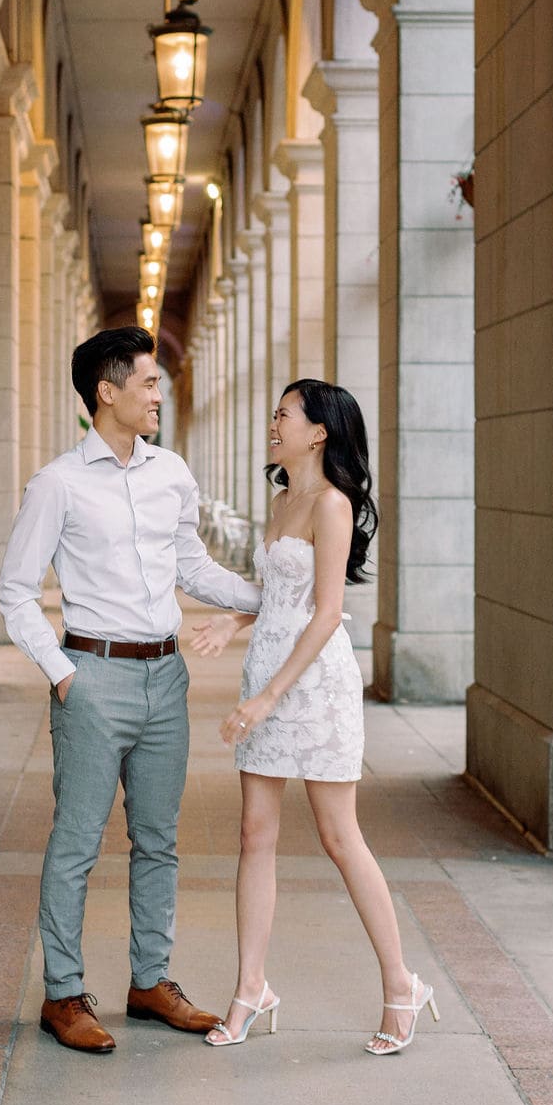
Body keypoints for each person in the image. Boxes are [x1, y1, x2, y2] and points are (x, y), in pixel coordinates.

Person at [0, 325, 264, 1055]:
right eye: (148, 383)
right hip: (94, 676)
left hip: (165, 675)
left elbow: (193, 567)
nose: (159, 394)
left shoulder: (171, 473)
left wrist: (273, 592)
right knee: (77, 841)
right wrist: (64, 675)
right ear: (105, 392)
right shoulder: (58, 483)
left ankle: (150, 983)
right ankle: (64, 994)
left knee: (158, 840)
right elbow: (16, 592)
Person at [190, 379, 439, 1056]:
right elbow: (280, 596)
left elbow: (326, 612)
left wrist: (269, 697)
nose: (274, 423)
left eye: (284, 415)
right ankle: (251, 987)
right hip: (267, 670)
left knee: (339, 836)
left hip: (313, 685)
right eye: (274, 413)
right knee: (253, 833)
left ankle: (401, 984)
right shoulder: (280, 501)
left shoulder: (331, 505)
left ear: (319, 431)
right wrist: (235, 619)